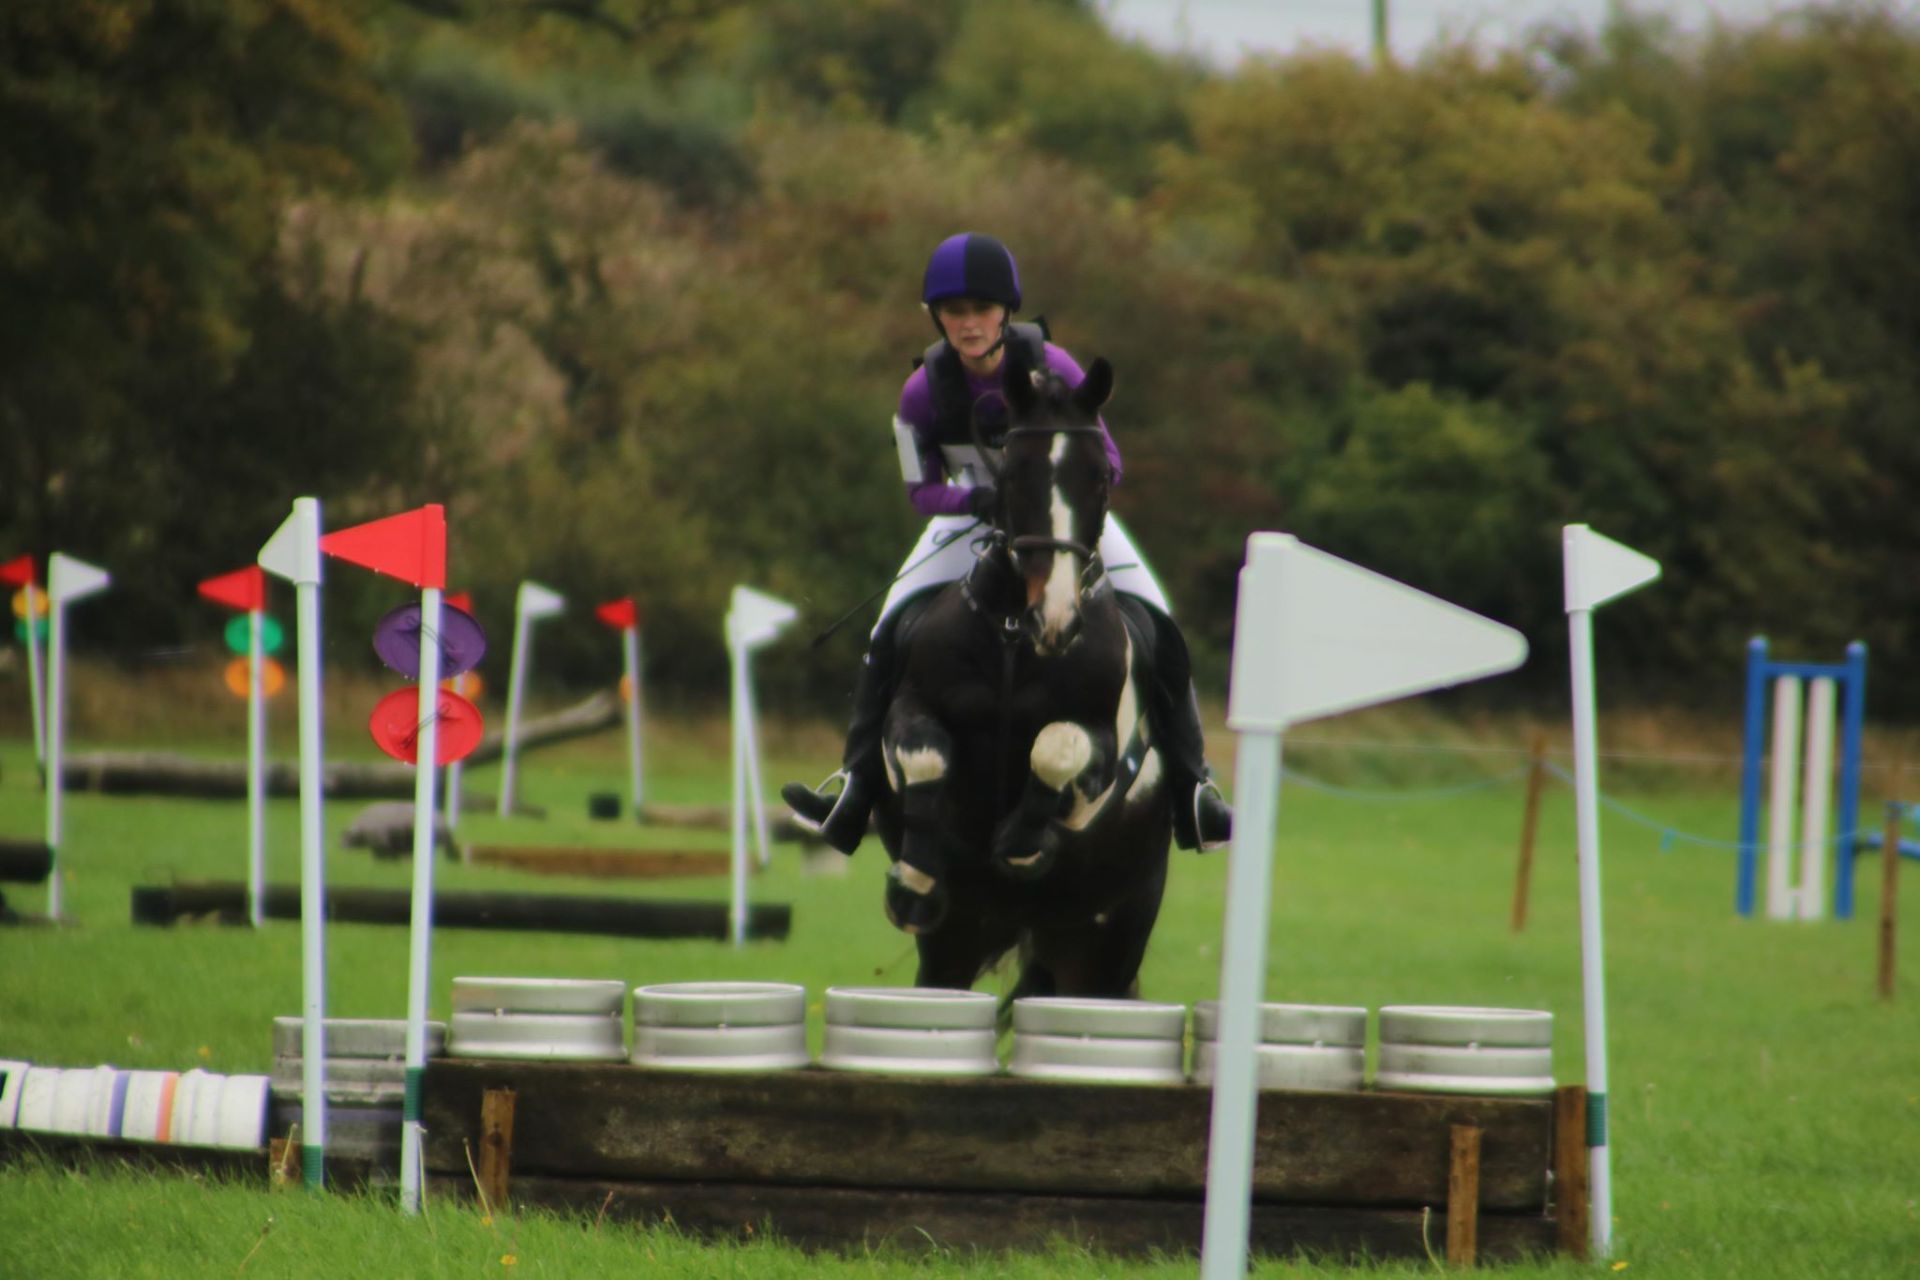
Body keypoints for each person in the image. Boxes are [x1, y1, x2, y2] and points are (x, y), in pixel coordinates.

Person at [782, 232, 1231, 855]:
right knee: (887, 630)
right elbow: (920, 491)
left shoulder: (1059, 368)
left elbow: (1113, 462)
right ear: (936, 317)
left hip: (1061, 524)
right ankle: (854, 789)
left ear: (1006, 312)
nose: (968, 324)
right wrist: (981, 500)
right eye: (954, 312)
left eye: (981, 309)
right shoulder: (920, 393)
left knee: (1159, 621)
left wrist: (1053, 499)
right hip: (968, 521)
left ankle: (1192, 788)